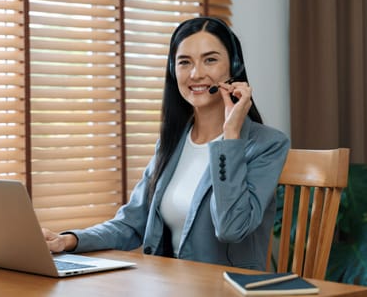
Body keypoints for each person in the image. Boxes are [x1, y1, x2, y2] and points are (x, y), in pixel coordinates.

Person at [42, 17, 290, 270]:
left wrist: (230, 136)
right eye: (185, 62)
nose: (196, 74)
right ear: (173, 70)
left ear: (234, 68)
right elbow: (131, 223)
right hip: (167, 285)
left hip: (225, 288)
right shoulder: (173, 143)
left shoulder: (268, 144)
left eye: (210, 60)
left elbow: (231, 228)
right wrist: (68, 241)